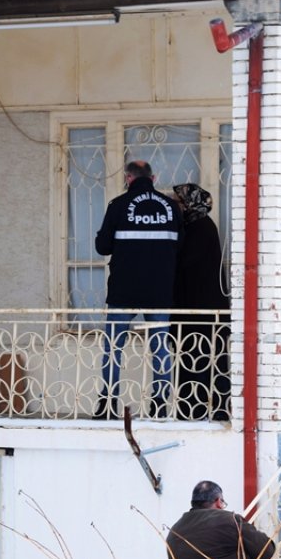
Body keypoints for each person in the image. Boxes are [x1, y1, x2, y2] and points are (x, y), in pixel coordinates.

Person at [94, 160, 183, 419]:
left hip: (124, 289)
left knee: (113, 347)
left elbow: (102, 247)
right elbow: (180, 245)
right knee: (160, 346)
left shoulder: (118, 205)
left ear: (128, 178)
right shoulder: (171, 207)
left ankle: (108, 403)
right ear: (153, 178)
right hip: (159, 290)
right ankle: (159, 404)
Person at [170, 183, 231, 421]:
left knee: (200, 362)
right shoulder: (195, 227)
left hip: (200, 313)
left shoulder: (201, 228)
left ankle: (199, 410)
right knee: (194, 361)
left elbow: (184, 264)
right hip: (195, 311)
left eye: (178, 202)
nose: (175, 206)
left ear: (189, 203)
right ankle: (193, 408)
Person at [166, 480, 276, 559]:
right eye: (223, 503)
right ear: (218, 501)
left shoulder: (174, 532)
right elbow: (266, 552)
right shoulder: (229, 520)